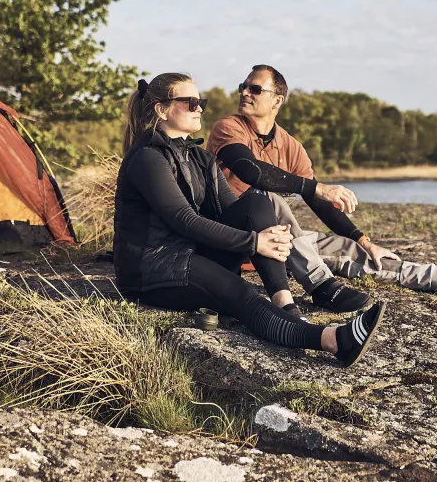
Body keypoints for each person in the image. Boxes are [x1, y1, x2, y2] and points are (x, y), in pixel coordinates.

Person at [113, 73, 389, 366]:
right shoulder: (148, 158)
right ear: (161, 109)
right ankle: (335, 339)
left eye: (201, 101)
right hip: (154, 268)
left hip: (189, 254)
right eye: (191, 102)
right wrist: (255, 242)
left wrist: (269, 235)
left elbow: (241, 211)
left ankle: (285, 304)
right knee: (240, 293)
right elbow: (185, 220)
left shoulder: (198, 157)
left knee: (257, 203)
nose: (200, 108)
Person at [206, 65, 437, 313]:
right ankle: (320, 284)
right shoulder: (228, 127)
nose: (245, 93)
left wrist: (364, 240)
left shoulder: (289, 145)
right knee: (265, 197)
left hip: (278, 244)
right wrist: (319, 188)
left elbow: (317, 203)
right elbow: (251, 171)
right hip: (232, 238)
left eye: (255, 89)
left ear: (277, 100)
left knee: (352, 250)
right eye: (243, 86)